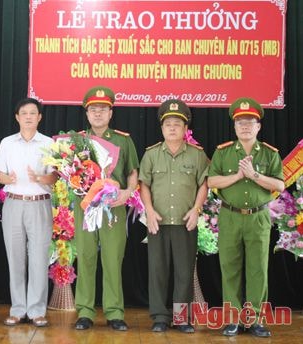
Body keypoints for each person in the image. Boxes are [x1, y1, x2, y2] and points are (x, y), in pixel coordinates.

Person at [208, 98, 284, 338]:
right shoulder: (223, 152)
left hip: (258, 218)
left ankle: (255, 320)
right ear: (234, 126)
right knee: (229, 268)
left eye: (250, 122)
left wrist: (254, 175)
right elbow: (212, 182)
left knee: (257, 270)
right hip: (230, 216)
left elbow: (280, 185)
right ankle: (233, 319)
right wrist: (239, 175)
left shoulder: (270, 154)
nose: (245, 126)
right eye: (240, 122)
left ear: (258, 126)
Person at [139, 99, 209, 333]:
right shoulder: (151, 155)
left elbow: (204, 184)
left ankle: (181, 318)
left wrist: (196, 209)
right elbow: (144, 184)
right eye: (168, 124)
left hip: (184, 222)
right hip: (157, 222)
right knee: (157, 271)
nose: (172, 128)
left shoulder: (197, 155)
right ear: (161, 128)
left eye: (177, 124)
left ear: (185, 128)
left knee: (184, 271)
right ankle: (159, 316)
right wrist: (148, 210)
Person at [74, 86, 139, 331]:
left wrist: (127, 192)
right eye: (93, 109)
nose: (98, 113)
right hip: (86, 207)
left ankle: (114, 312)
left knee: (113, 259)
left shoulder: (123, 140)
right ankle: (85, 311)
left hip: (113, 206)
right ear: (87, 113)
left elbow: (133, 172)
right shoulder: (77, 140)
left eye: (103, 109)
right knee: (86, 258)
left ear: (111, 113)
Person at [0, 98, 57, 327]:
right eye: (24, 113)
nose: (29, 116)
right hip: (13, 203)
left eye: (33, 113)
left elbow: (54, 177)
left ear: (39, 117)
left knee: (39, 258)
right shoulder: (7, 143)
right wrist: (6, 178)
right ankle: (18, 309)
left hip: (40, 204)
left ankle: (37, 311)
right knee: (15, 258)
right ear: (17, 117)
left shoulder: (49, 143)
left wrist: (40, 178)